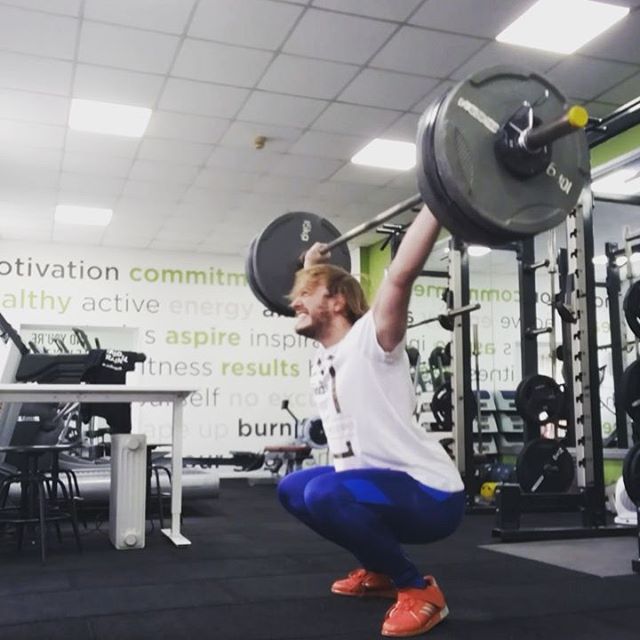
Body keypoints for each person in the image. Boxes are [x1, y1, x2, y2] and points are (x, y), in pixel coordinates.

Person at [277, 205, 465, 637]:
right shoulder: (325, 354)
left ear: (339, 300)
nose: (294, 302)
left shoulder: (375, 338)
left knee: (324, 492)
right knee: (292, 489)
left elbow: (400, 274)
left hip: (429, 494)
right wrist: (311, 268)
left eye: (306, 293)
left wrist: (438, 200)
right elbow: (311, 294)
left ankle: (419, 589)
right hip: (379, 486)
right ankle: (378, 569)